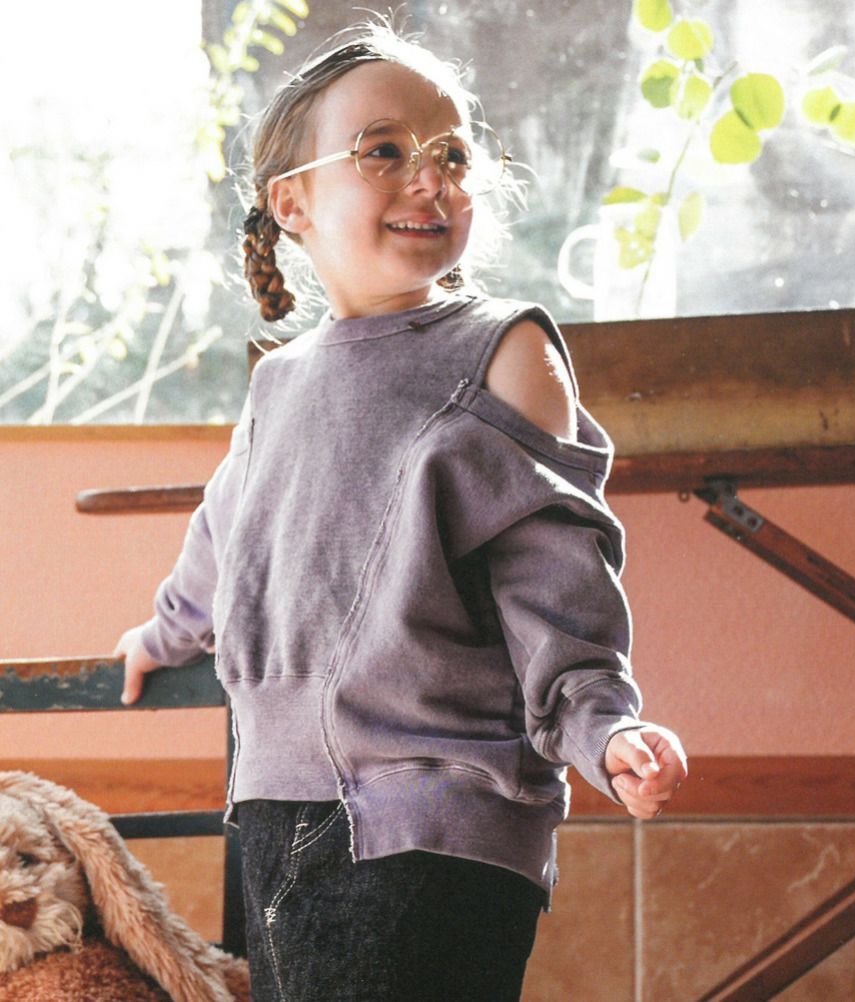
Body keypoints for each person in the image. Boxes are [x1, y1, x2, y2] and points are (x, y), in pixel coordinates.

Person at [114, 20, 686, 1002]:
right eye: (384, 151)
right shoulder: (279, 382)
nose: (433, 179)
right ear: (291, 201)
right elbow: (226, 540)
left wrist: (604, 728)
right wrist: (162, 635)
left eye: (452, 156)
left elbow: (559, 587)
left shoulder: (504, 351)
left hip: (436, 825)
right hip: (276, 808)